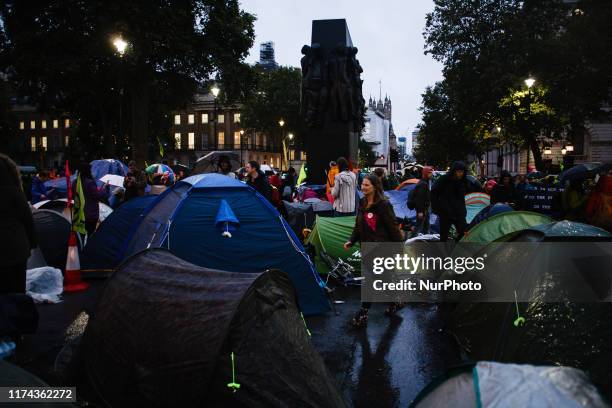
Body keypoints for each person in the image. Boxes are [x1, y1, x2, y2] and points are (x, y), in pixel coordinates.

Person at [343, 174, 404, 328]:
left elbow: (393, 226)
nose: (363, 187)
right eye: (362, 184)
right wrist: (352, 240)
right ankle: (396, 301)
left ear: (375, 187)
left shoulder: (384, 205)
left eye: (367, 185)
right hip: (368, 247)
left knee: (369, 280)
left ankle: (363, 312)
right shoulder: (363, 202)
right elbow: (358, 225)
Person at [0, 153, 37, 294]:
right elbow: (27, 220)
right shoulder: (15, 193)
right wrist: (32, 242)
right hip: (17, 248)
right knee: (17, 290)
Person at [431, 161, 469, 242]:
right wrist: (437, 209)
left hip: (458, 213)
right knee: (443, 236)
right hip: (445, 213)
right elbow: (434, 193)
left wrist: (463, 211)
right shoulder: (444, 179)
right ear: (454, 171)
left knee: (463, 233)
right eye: (458, 172)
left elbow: (461, 198)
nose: (460, 174)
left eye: (462, 172)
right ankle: (443, 253)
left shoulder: (463, 181)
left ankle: (456, 250)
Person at [73, 162, 110, 236]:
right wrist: (105, 189)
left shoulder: (75, 182)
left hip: (79, 214)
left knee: (81, 236)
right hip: (90, 214)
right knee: (90, 234)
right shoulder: (90, 182)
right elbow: (97, 196)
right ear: (87, 171)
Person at [411, 166, 433, 236]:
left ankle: (425, 240)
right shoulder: (423, 184)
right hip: (422, 209)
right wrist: (420, 211)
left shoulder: (426, 182)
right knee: (419, 226)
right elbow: (419, 199)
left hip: (425, 208)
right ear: (426, 173)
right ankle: (411, 240)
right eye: (430, 173)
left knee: (426, 225)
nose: (431, 174)